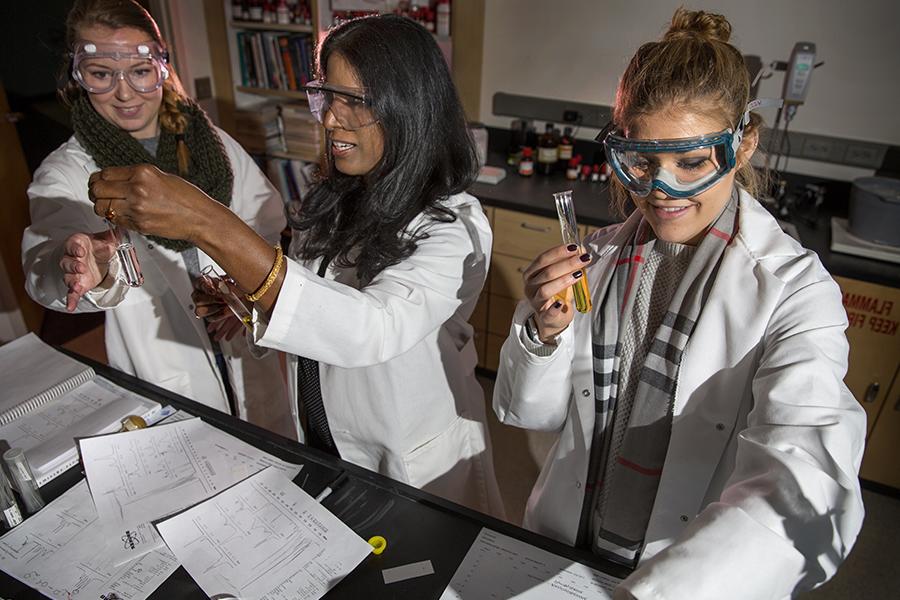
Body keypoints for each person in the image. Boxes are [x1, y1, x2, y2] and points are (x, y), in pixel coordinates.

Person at [492, 8, 865, 599]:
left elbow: (808, 483)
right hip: (565, 536)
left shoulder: (796, 288)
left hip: (688, 570)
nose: (659, 189)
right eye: (641, 161)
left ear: (743, 144)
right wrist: (544, 332)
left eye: (691, 162)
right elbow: (529, 416)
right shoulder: (601, 254)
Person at [86, 14, 504, 517]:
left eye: (356, 101)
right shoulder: (334, 197)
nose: (330, 119)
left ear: (408, 107)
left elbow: (368, 328)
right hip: (322, 435)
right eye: (327, 95)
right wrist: (248, 304)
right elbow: (314, 301)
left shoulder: (454, 226)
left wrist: (208, 222)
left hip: (411, 460)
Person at [21, 0, 293, 438]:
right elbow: (45, 258)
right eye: (101, 73)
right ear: (77, 75)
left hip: (241, 340)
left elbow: (265, 219)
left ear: (162, 68)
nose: (125, 92)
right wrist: (73, 264)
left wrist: (243, 291)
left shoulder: (212, 144)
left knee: (273, 453)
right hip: (165, 366)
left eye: (140, 71)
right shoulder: (69, 172)